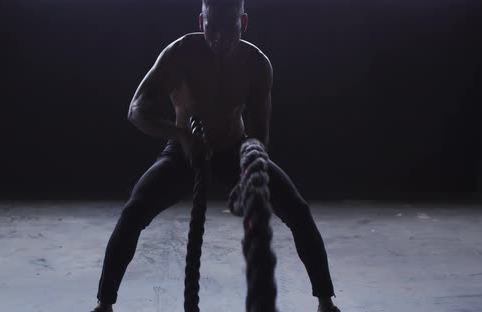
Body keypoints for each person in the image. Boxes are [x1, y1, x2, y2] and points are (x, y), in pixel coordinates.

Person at [91, 0, 340, 311]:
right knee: (133, 213)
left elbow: (260, 131)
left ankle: (326, 302)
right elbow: (136, 110)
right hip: (184, 151)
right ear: (200, 21)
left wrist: (250, 174)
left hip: (235, 151)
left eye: (230, 29)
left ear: (244, 23)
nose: (220, 38)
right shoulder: (179, 54)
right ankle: (104, 305)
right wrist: (182, 136)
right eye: (212, 28)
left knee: (298, 211)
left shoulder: (257, 64)